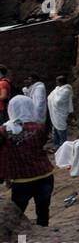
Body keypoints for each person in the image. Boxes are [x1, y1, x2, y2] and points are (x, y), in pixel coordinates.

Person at [0, 96, 55, 226]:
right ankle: (43, 231)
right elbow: (40, 145)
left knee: (17, 212)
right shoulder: (40, 127)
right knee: (43, 210)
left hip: (22, 179)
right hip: (45, 174)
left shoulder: (4, 131)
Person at [47, 76, 73, 147]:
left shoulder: (66, 90)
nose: (56, 82)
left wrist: (53, 98)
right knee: (55, 131)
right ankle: (56, 146)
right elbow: (49, 97)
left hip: (61, 113)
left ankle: (63, 147)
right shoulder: (57, 89)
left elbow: (58, 101)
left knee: (61, 130)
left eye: (57, 81)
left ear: (60, 82)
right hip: (55, 113)